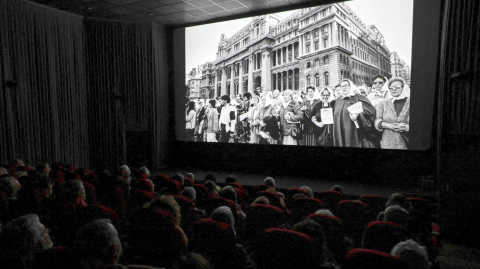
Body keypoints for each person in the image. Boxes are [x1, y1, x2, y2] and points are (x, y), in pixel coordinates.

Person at [333, 79, 378, 148]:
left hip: (354, 131)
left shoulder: (358, 97)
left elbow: (371, 111)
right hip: (340, 130)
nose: (344, 87)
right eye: (342, 86)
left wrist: (358, 115)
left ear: (351, 86)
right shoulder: (338, 100)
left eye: (346, 85)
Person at [374, 77, 411, 149]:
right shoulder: (383, 103)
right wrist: (389, 126)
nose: (393, 89)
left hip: (408, 142)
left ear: (404, 88)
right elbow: (377, 121)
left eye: (397, 87)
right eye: (391, 88)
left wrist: (408, 128)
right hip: (387, 142)